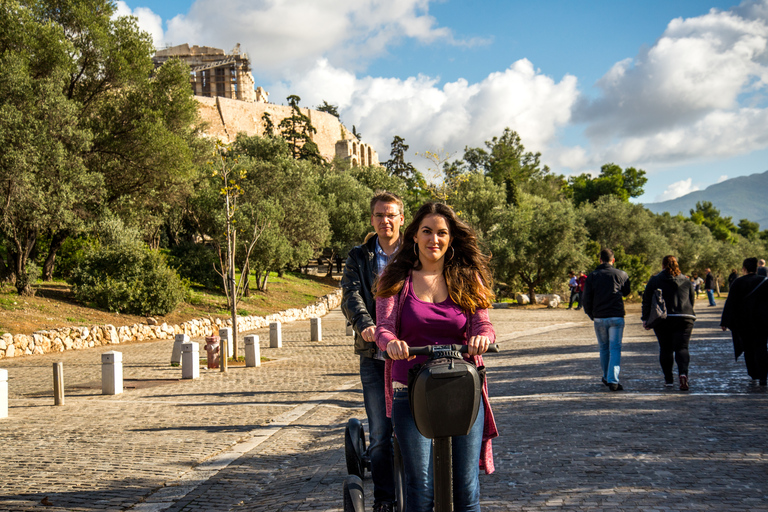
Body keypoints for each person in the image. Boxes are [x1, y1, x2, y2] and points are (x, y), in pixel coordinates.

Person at [375, 202, 498, 512]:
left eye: (442, 233)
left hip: (462, 389)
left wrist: (483, 337)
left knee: (466, 488)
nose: (434, 239)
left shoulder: (467, 277)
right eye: (427, 232)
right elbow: (384, 328)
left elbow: (482, 322)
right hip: (412, 391)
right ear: (413, 235)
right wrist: (391, 343)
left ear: (451, 238)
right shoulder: (396, 278)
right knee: (422, 487)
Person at [340, 190, 404, 512]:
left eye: (391, 214)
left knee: (417, 431)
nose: (385, 221)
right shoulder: (359, 256)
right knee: (380, 433)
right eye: (379, 215)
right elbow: (351, 296)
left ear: (401, 219)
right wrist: (366, 325)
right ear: (372, 220)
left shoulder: (414, 254)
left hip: (411, 356)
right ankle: (385, 500)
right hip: (374, 356)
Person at [641, 256, 696, 390]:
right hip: (685, 317)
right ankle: (683, 374)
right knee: (682, 348)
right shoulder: (686, 280)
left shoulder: (655, 280)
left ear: (662, 265)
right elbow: (691, 299)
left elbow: (647, 300)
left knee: (665, 349)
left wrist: (645, 318)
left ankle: (669, 380)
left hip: (663, 318)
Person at [582, 248, 631, 391]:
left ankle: (605, 376)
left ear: (600, 260)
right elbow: (626, 292)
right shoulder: (622, 274)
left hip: (600, 316)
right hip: (616, 315)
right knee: (615, 348)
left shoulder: (592, 276)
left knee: (603, 348)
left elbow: (586, 298)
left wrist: (591, 314)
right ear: (613, 260)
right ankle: (613, 380)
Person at [720, 257, 768, 386]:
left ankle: (753, 373)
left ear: (744, 268)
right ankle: (763, 376)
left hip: (743, 322)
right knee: (761, 347)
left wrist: (724, 321)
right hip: (762, 321)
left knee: (748, 348)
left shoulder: (738, 282)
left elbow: (730, 302)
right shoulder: (765, 282)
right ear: (756, 268)